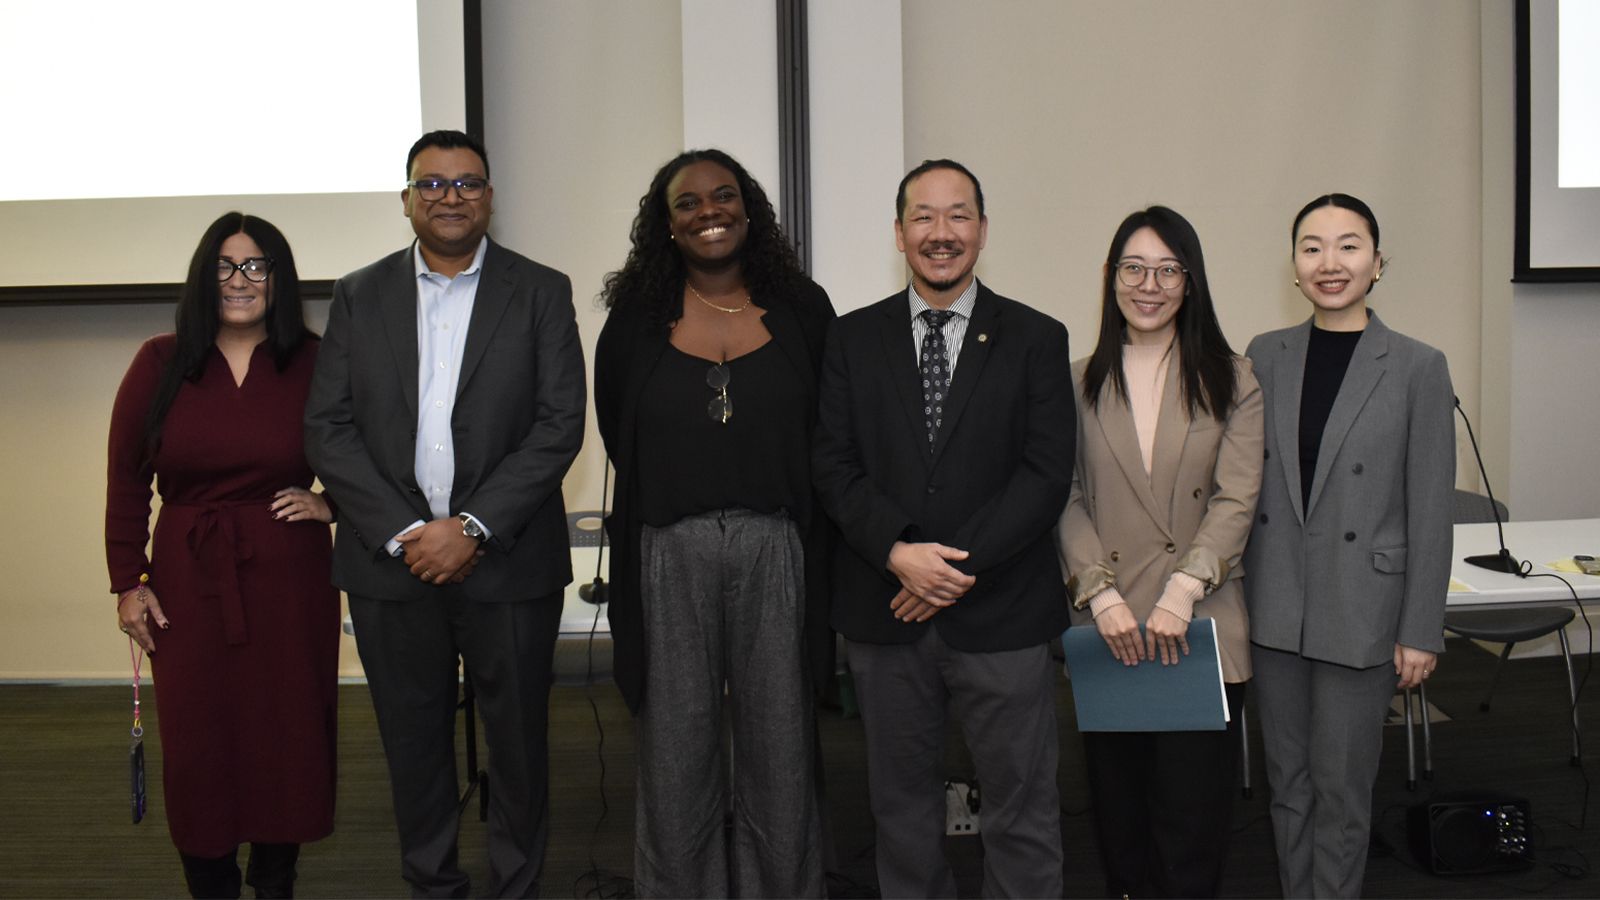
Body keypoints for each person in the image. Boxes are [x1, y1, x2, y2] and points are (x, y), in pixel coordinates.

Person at [303, 129, 585, 898]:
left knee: (519, 745)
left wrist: (471, 528)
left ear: (489, 198)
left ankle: (516, 885)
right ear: (406, 200)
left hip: (509, 561)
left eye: (467, 183)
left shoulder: (541, 290)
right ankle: (432, 885)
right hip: (390, 566)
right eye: (432, 184)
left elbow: (559, 423)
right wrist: (407, 534)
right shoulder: (359, 294)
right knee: (412, 744)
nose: (450, 197)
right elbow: (328, 427)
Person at [812, 159, 1075, 898]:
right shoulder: (850, 340)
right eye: (923, 217)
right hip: (887, 612)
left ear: (983, 230)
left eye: (958, 215)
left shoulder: (1036, 337)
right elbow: (832, 464)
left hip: (1004, 613)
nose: (941, 233)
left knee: (1022, 811)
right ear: (898, 233)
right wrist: (898, 551)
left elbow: (1045, 474)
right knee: (900, 812)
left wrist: (949, 568)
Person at [594, 148, 833, 898]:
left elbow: (831, 431)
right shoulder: (634, 323)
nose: (709, 212)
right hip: (669, 550)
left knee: (781, 747)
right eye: (688, 203)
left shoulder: (803, 311)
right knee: (675, 751)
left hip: (777, 546)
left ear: (749, 209)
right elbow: (619, 433)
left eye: (724, 196)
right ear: (665, 225)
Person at [106, 212, 337, 898]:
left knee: (287, 731)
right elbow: (126, 480)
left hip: (290, 577)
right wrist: (127, 582)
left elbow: (375, 452)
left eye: (256, 265)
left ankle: (276, 878)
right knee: (199, 738)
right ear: (203, 280)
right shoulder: (159, 362)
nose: (240, 280)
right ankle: (210, 881)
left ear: (279, 279)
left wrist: (334, 504)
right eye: (225, 267)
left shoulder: (317, 361)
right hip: (187, 578)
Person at [1244, 193, 1454, 898]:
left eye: (1348, 245)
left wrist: (1420, 628)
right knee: (1287, 785)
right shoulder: (1265, 355)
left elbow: (1431, 510)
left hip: (1363, 608)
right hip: (1275, 602)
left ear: (1378, 262)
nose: (1329, 262)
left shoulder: (1419, 366)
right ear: (1294, 264)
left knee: (1341, 790)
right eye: (1312, 247)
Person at [1056, 206, 1263, 897]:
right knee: (1121, 829)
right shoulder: (1074, 382)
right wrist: (1100, 593)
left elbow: (1236, 499)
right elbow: (1063, 497)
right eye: (1135, 268)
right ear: (1110, 277)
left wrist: (1181, 593)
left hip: (1199, 627)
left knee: (1191, 832)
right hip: (1107, 629)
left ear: (1190, 281)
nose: (1150, 285)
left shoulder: (1234, 379)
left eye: (1168, 270)